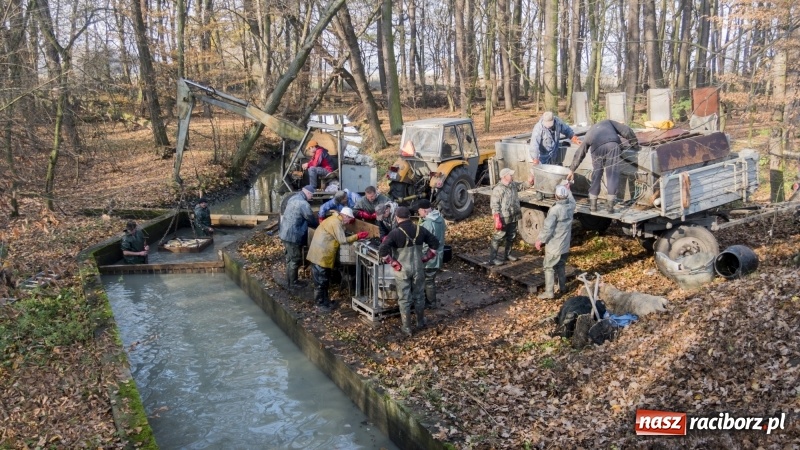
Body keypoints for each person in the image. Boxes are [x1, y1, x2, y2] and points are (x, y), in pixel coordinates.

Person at [378, 206, 440, 337]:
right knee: (419, 296)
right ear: (409, 217)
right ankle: (421, 322)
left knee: (405, 299)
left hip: (402, 270)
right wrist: (426, 257)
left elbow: (383, 250)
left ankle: (407, 328)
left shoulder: (395, 233)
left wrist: (393, 263)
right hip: (418, 269)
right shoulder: (420, 229)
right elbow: (435, 244)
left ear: (397, 217)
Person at [566, 119, 637, 213]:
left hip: (597, 149)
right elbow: (626, 131)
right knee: (612, 173)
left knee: (597, 173)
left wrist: (572, 170)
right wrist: (635, 144)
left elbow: (580, 152)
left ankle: (593, 206)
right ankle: (610, 207)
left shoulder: (589, 133)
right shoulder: (609, 122)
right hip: (613, 145)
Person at [306, 207, 369, 312]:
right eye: (349, 220)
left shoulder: (333, 219)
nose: (349, 222)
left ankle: (325, 301)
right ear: (345, 216)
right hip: (321, 255)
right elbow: (342, 240)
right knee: (321, 282)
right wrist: (357, 236)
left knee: (324, 280)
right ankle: (320, 304)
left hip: (320, 253)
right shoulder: (336, 223)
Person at [534, 183, 576, 299]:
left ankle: (549, 292)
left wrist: (540, 240)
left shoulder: (554, 210)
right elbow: (572, 200)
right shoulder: (570, 206)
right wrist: (569, 190)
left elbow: (548, 228)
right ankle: (562, 287)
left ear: (556, 196)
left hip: (554, 246)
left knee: (549, 267)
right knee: (561, 265)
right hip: (565, 245)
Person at [279, 185, 319, 289]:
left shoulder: (293, 198)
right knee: (295, 259)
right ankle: (293, 283)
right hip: (293, 235)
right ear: (308, 193)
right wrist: (319, 225)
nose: (312, 197)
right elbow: (310, 219)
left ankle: (289, 280)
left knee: (289, 258)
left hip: (284, 232)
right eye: (312, 195)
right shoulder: (304, 204)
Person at [487, 168, 522, 266]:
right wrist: (497, 219)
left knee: (512, 236)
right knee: (498, 237)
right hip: (503, 217)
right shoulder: (498, 189)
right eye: (510, 175)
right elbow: (494, 205)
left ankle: (508, 254)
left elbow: (523, 186)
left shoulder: (513, 185)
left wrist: (530, 180)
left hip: (513, 215)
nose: (512, 176)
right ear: (504, 176)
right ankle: (492, 259)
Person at [418, 199, 446, 310]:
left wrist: (421, 256)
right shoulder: (440, 218)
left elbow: (424, 244)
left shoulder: (427, 224)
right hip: (439, 253)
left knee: (428, 280)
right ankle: (430, 301)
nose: (418, 213)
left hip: (429, 256)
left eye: (419, 211)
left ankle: (431, 303)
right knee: (430, 279)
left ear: (424, 211)